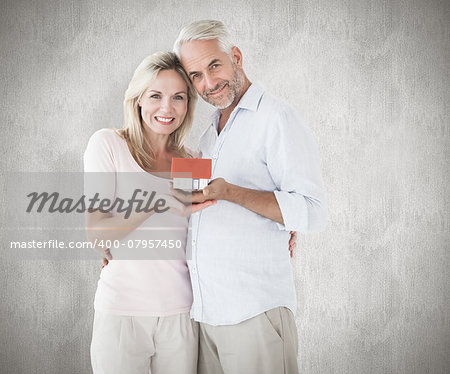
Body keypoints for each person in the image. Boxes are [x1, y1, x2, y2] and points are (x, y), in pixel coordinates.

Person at [172, 20, 328, 374]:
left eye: (214, 65)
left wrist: (233, 193)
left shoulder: (277, 119)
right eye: (195, 75)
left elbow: (313, 211)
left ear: (236, 57)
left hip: (254, 314)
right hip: (205, 316)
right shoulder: (210, 134)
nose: (208, 83)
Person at [83, 51, 215, 374]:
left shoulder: (192, 161)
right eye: (155, 95)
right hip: (122, 313)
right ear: (138, 98)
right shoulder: (109, 145)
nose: (167, 108)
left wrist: (282, 225)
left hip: (180, 314)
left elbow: (229, 198)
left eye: (178, 98)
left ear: (188, 105)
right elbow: (97, 234)